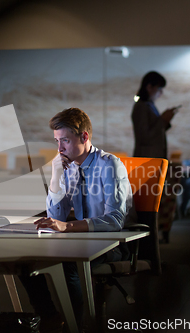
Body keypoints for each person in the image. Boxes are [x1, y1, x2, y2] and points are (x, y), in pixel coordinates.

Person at [21, 107, 134, 332]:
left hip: (113, 243)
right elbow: (57, 218)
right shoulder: (68, 168)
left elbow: (115, 220)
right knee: (25, 262)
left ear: (84, 136)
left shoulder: (109, 165)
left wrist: (68, 226)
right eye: (57, 141)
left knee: (68, 262)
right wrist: (55, 176)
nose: (60, 148)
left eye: (65, 141)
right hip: (81, 239)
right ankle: (51, 317)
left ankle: (77, 326)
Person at [131, 71, 179, 159]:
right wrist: (163, 120)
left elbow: (155, 131)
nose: (161, 93)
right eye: (159, 88)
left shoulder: (149, 105)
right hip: (146, 159)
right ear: (149, 87)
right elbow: (144, 137)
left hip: (151, 159)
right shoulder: (141, 106)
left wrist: (165, 120)